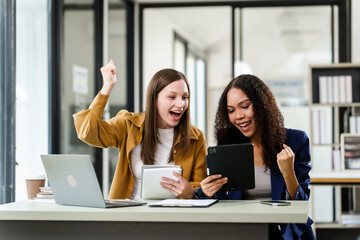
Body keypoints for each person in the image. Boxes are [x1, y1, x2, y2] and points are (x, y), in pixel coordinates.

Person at [194, 74, 315, 239]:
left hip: (286, 234)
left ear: (262, 105)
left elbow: (301, 202)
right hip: (244, 232)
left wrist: (288, 173)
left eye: (245, 106)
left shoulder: (296, 140)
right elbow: (221, 200)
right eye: (231, 110)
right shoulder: (228, 147)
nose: (238, 116)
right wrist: (207, 192)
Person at [73, 60, 207, 200]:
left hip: (173, 217)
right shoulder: (128, 125)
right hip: (129, 216)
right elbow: (88, 132)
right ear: (154, 99)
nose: (180, 104)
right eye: (172, 97)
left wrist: (191, 192)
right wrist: (107, 87)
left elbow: (201, 188)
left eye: (185, 97)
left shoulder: (196, 138)